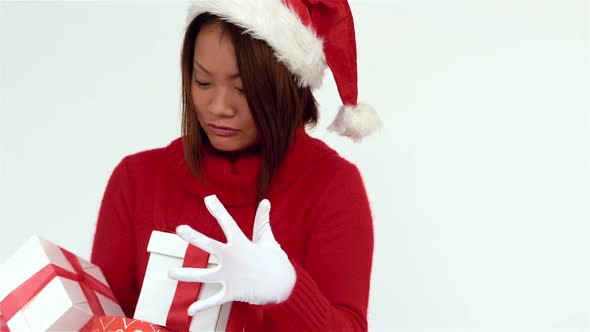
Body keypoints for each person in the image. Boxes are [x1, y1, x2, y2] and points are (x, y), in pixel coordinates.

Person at [91, 1, 380, 331]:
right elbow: (101, 320)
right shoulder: (137, 180)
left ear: (287, 86)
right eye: (202, 82)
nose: (218, 107)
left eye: (243, 89)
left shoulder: (332, 186)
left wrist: (288, 290)